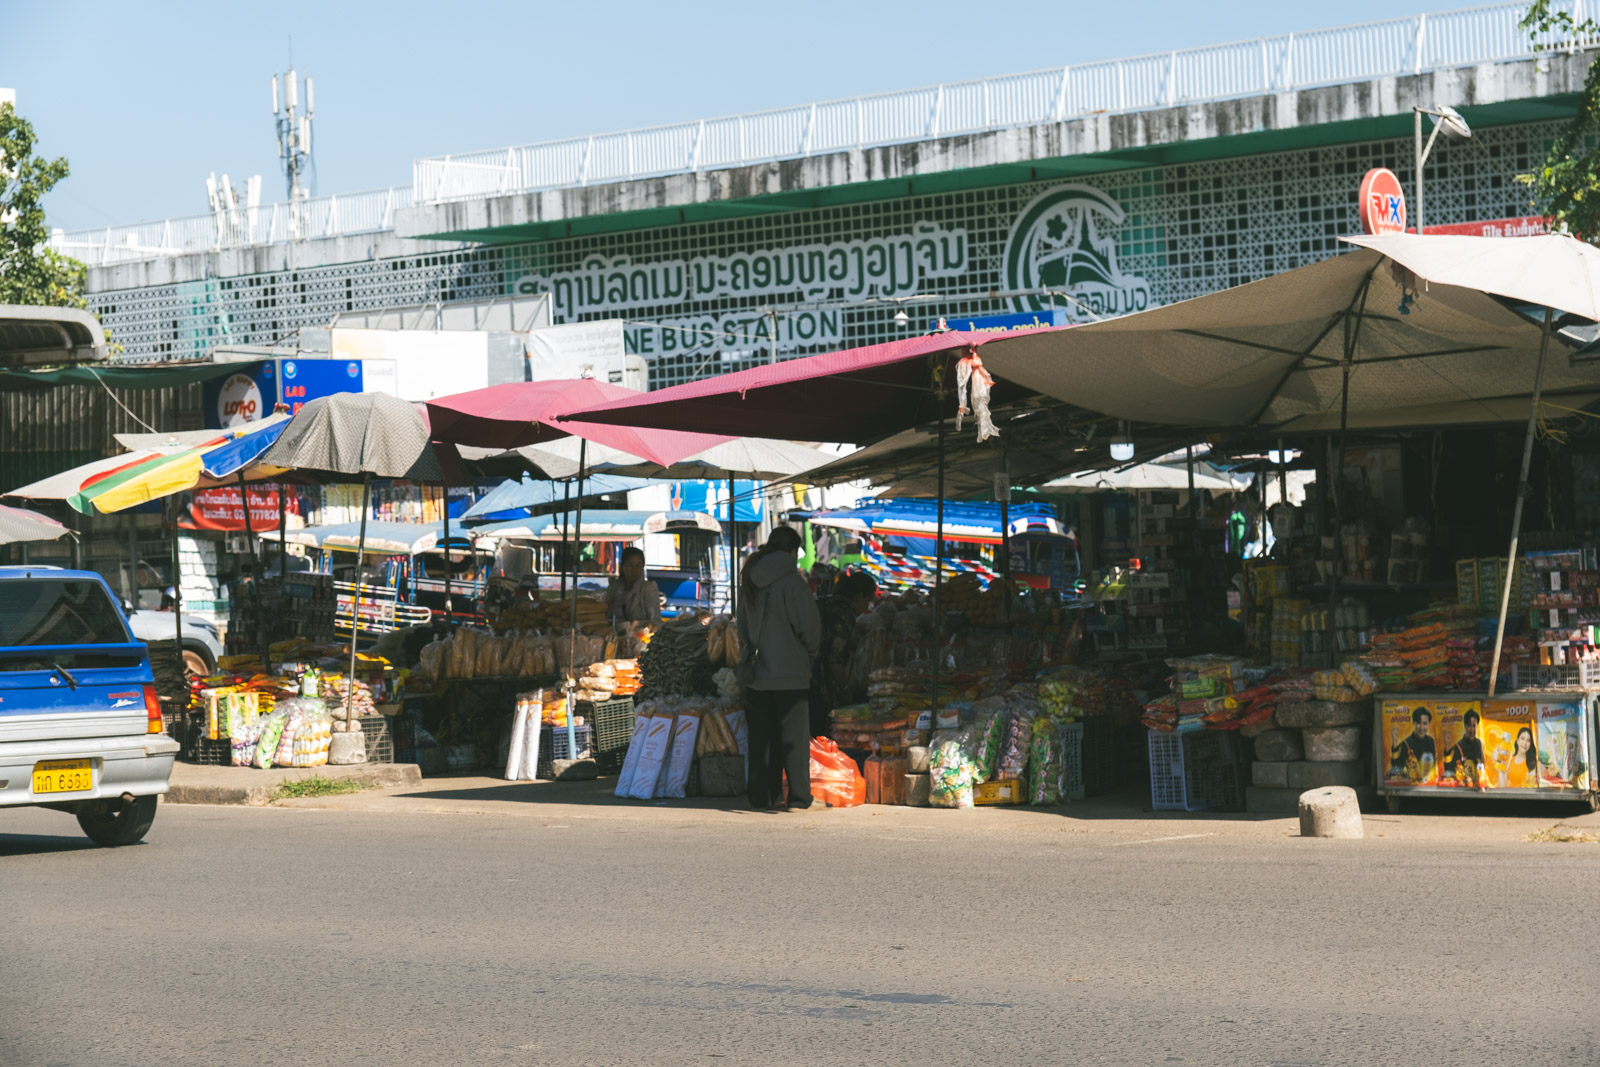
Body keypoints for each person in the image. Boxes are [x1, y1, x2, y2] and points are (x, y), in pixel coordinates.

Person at [735, 526, 820, 811]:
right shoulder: (792, 584)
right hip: (792, 674)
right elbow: (809, 628)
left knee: (761, 739)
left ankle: (761, 796)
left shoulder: (750, 579)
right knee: (793, 740)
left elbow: (743, 627)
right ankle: (797, 798)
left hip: (758, 674)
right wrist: (810, 653)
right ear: (793, 552)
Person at [810, 571, 877, 737]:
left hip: (803, 670)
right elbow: (834, 658)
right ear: (860, 597)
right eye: (868, 601)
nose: (866, 607)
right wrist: (845, 688)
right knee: (818, 730)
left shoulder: (828, 602)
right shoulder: (844, 613)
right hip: (816, 677)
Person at [603, 546, 661, 626]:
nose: (635, 570)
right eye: (630, 565)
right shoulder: (614, 588)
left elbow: (656, 621)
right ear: (622, 567)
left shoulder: (648, 589)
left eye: (639, 565)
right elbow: (604, 615)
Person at [1443, 710, 1484, 783]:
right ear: (1465, 726)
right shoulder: (1458, 746)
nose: (1472, 730)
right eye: (1469, 726)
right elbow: (1448, 770)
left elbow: (1483, 767)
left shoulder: (1480, 744)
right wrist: (1447, 746)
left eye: (1474, 726)